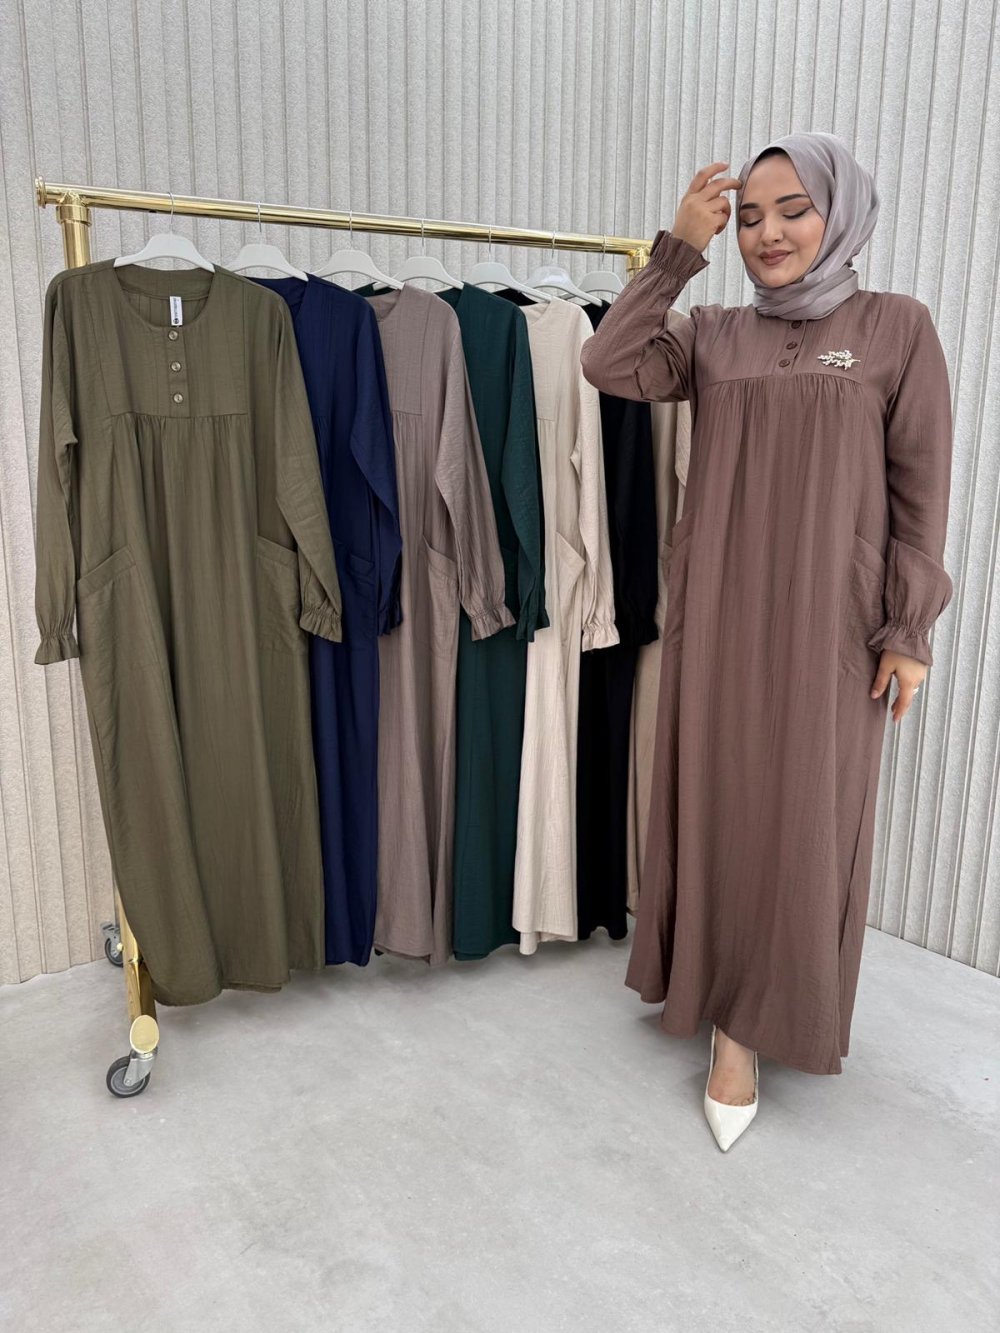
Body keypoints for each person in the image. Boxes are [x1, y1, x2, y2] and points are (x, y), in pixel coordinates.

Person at [580, 132, 954, 1151]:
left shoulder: (896, 328)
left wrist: (908, 630)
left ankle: (758, 1020)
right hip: (719, 612)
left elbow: (921, 490)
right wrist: (677, 252)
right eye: (748, 217)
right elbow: (607, 362)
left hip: (833, 625)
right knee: (717, 802)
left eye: (792, 210)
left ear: (842, 212)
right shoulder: (712, 333)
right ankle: (716, 1001)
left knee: (803, 818)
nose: (768, 234)